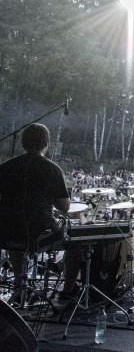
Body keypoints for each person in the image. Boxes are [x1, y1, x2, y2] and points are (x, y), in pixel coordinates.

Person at [0, 123, 81, 300]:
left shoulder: (5, 167)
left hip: (7, 232)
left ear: (23, 143)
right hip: (39, 232)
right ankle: (68, 291)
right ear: (46, 143)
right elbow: (65, 207)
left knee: (17, 234)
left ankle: (19, 285)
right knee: (76, 242)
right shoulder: (52, 169)